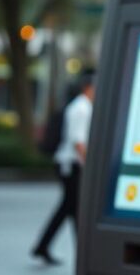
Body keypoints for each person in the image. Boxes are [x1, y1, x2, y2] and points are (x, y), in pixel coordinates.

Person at [32, 71, 95, 265]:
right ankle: (82, 252)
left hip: (71, 164)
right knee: (72, 207)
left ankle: (46, 246)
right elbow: (79, 142)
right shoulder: (81, 109)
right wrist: (90, 166)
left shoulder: (83, 107)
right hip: (71, 164)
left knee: (71, 208)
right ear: (88, 87)